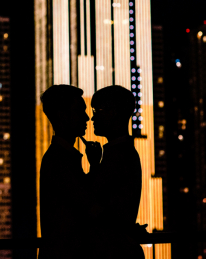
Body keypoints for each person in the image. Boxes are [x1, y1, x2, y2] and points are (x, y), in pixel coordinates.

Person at [38, 85, 102, 259]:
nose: (87, 118)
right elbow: (89, 206)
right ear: (62, 116)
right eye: (80, 111)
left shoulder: (59, 158)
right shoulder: (58, 161)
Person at [87, 85, 147, 259]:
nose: (92, 118)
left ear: (113, 112)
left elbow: (95, 202)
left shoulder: (118, 155)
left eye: (97, 110)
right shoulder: (122, 152)